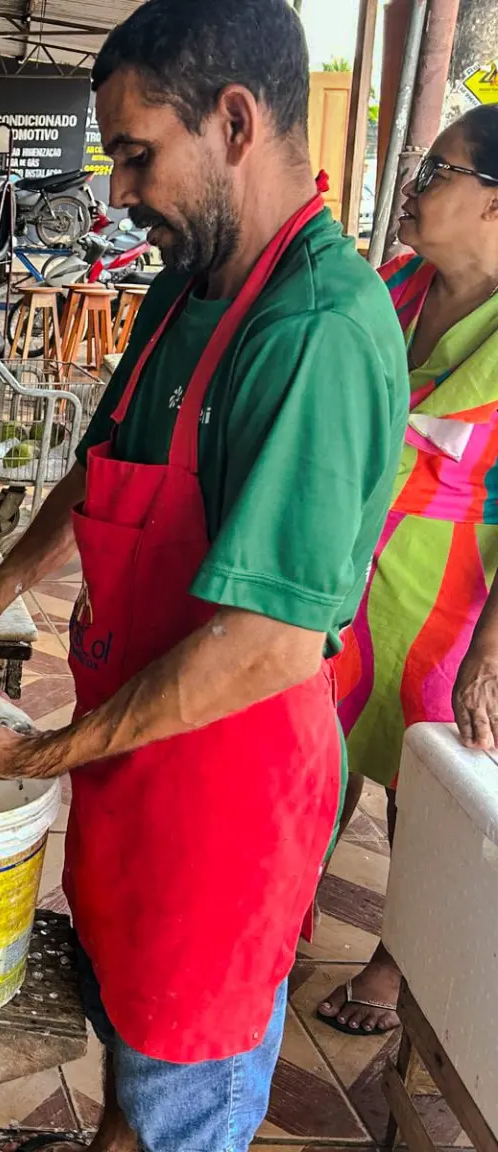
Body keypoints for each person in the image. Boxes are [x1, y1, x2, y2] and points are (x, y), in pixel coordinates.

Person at [0, 2, 407, 1149]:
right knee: (137, 1076)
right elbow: (99, 469)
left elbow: (266, 645)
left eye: (135, 155)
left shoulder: (316, 330)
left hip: (223, 815)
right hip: (132, 773)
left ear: (233, 121)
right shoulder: (185, 287)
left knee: (187, 1099)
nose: (117, 192)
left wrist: (30, 756)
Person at [317, 105, 498, 1037]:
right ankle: (287, 900)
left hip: (456, 600)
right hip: (346, 570)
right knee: (316, 749)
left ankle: (398, 957)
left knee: (423, 790)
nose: (419, 187)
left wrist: (492, 653)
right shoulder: (393, 287)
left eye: (442, 171)